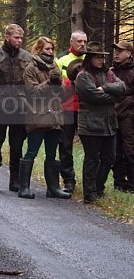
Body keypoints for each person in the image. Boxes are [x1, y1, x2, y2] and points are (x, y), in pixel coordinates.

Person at [0, 23, 32, 192]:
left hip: (19, 107)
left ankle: (15, 180)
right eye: (16, 38)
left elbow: (30, 82)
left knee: (17, 145)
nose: (19, 41)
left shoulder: (27, 57)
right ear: (7, 37)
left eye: (21, 38)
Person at [20, 37, 71, 199]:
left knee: (52, 154)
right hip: (37, 117)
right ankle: (24, 188)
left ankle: (53, 188)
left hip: (55, 117)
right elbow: (32, 93)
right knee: (32, 151)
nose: (50, 52)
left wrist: (58, 82)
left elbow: (62, 95)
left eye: (51, 49)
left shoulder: (54, 67)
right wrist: (49, 82)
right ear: (38, 50)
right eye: (47, 49)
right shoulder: (30, 69)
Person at [75, 42, 126, 203]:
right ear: (90, 58)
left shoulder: (108, 74)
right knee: (92, 159)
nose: (101, 60)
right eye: (97, 57)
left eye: (102, 57)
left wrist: (105, 88)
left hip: (109, 124)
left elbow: (122, 87)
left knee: (109, 158)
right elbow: (93, 97)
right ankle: (89, 193)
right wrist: (114, 96)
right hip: (90, 125)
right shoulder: (83, 76)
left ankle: (99, 188)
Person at [55, 30, 87, 193]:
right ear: (71, 41)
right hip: (66, 109)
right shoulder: (61, 58)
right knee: (65, 146)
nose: (82, 44)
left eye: (84, 41)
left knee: (90, 148)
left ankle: (91, 183)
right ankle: (68, 180)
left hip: (86, 110)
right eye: (79, 41)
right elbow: (54, 81)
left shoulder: (90, 58)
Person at [110, 41, 134, 192]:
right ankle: (118, 182)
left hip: (129, 117)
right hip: (113, 116)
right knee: (115, 151)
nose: (116, 53)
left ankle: (132, 183)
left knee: (130, 150)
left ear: (129, 54)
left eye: (120, 51)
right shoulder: (111, 71)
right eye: (116, 50)